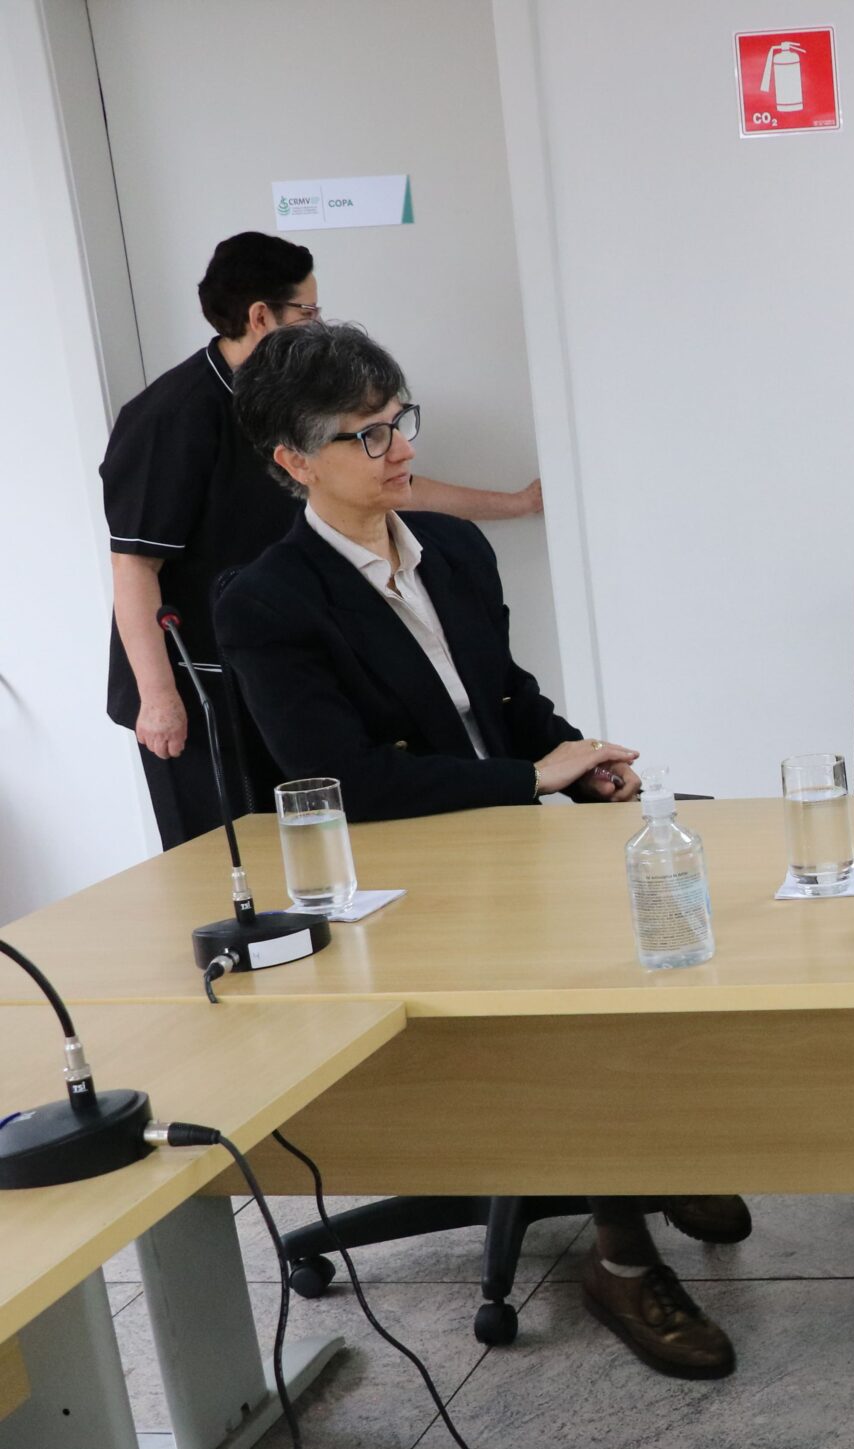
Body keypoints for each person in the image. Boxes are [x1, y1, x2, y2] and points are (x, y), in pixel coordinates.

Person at [216, 320, 745, 1380]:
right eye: (367, 435)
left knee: (682, 897)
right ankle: (621, 1256)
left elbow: (503, 698)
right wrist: (529, 780)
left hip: (512, 839)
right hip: (401, 877)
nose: (401, 447)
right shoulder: (265, 600)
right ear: (294, 461)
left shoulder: (452, 549)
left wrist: (577, 760)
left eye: (399, 419)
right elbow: (344, 782)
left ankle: (649, 1149)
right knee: (574, 1000)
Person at [101, 231, 542, 849]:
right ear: (261, 317)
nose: (319, 323)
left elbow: (395, 485)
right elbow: (133, 564)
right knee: (242, 851)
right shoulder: (171, 417)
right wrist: (159, 697)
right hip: (202, 679)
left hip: (296, 655)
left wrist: (515, 505)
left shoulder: (326, 417)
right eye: (308, 311)